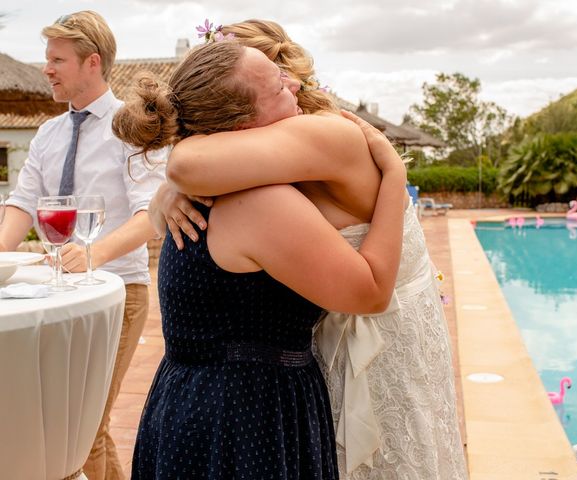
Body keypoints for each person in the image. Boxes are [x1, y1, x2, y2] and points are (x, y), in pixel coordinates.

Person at [157, 19, 468, 480]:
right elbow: (190, 168)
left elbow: (187, 161)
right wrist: (164, 192)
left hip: (382, 331)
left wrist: (174, 176)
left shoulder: (324, 134)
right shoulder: (270, 156)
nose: (295, 84)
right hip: (326, 324)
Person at [112, 38, 408, 479]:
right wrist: (395, 177)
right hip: (249, 418)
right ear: (246, 124)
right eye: (276, 86)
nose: (294, 82)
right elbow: (371, 291)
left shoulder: (207, 189)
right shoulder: (260, 202)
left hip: (185, 400)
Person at [0, 11, 165, 480]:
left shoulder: (132, 126)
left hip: (119, 291)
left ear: (92, 62)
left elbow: (152, 213)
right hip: (57, 294)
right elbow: (22, 202)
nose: (46, 69)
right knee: (65, 427)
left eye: (57, 59)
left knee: (85, 429)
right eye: (46, 58)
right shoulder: (49, 133)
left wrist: (94, 254)